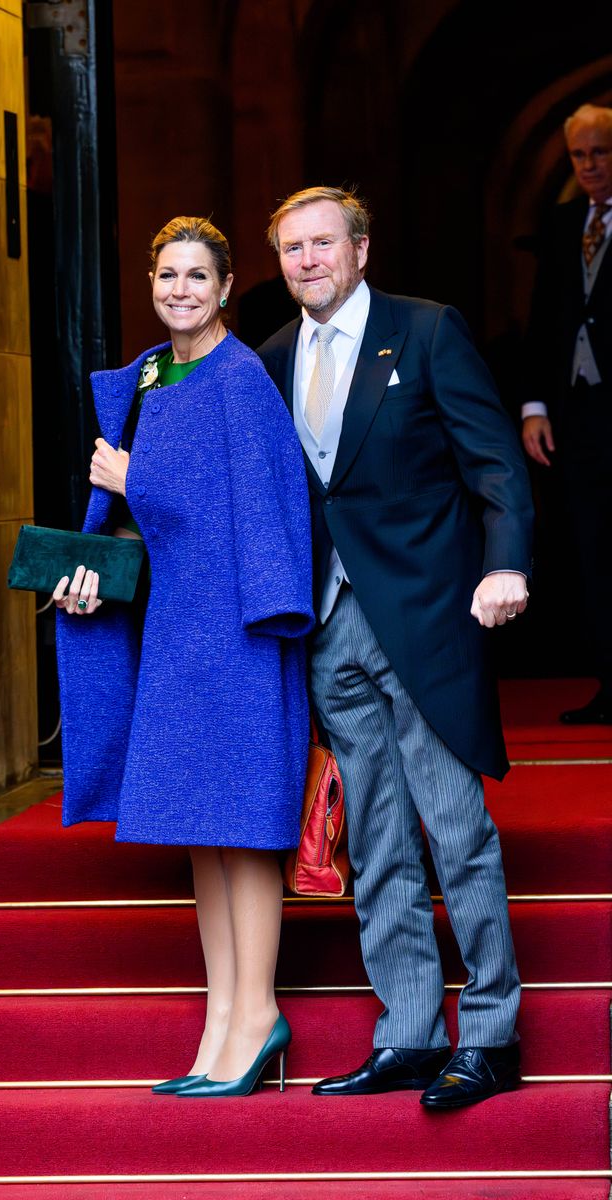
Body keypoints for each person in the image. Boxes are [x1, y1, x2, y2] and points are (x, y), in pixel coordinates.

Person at [258, 186, 535, 1109]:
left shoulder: (426, 333)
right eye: (291, 247)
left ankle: (491, 1037)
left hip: (425, 618)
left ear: (361, 249)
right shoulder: (272, 358)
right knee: (376, 843)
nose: (307, 259)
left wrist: (508, 566)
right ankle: (410, 1034)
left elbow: (493, 459)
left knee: (456, 833)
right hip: (328, 627)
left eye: (322, 242)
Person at [52, 216, 315, 1098]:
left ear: (227, 285)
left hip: (237, 637)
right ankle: (220, 1021)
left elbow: (262, 517)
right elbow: (133, 521)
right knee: (203, 837)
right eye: (167, 274)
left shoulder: (241, 380)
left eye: (197, 276)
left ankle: (259, 1013)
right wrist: (89, 564)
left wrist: (136, 481)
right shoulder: (153, 376)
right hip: (175, 633)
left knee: (244, 837)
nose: (179, 290)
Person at [521, 103, 612, 724]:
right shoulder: (560, 225)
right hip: (577, 414)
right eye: (579, 154)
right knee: (592, 547)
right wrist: (533, 405)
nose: (589, 165)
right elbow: (543, 320)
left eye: (600, 152)